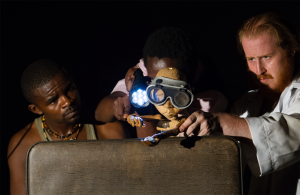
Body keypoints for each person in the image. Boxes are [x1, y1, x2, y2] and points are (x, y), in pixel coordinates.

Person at [179, 12, 300, 194]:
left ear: (291, 49)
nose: (259, 70)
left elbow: (290, 133)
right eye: (251, 59)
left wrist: (221, 122)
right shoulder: (246, 104)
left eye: (267, 57)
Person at [7, 59, 127, 195]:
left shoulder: (108, 130)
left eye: (69, 89)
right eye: (54, 100)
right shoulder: (23, 146)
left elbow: (128, 186)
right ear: (36, 109)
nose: (67, 101)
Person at [95, 27, 228, 138]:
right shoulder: (147, 70)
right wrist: (120, 104)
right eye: (154, 81)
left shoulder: (213, 95)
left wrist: (146, 111)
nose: (159, 90)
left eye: (170, 84)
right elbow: (100, 114)